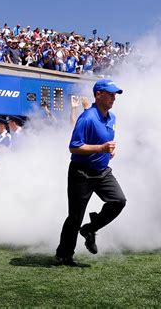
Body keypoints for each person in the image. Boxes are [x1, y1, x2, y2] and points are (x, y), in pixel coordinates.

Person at [55, 79, 127, 266]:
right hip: (81, 173)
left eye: (115, 94)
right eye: (110, 94)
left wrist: (109, 150)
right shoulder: (87, 118)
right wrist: (101, 148)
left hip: (102, 171)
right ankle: (64, 254)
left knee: (119, 201)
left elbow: (106, 141)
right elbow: (74, 147)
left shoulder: (112, 118)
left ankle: (90, 228)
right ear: (98, 94)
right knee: (75, 216)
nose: (113, 98)